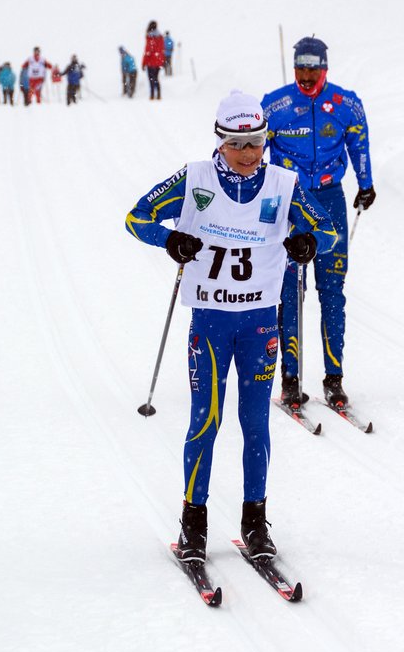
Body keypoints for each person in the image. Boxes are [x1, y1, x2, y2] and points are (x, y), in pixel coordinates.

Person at [125, 90, 337, 564]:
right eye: (238, 144)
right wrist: (170, 238)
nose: (248, 154)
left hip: (261, 324)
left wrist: (308, 243)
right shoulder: (196, 178)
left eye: (257, 143)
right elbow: (136, 218)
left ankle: (255, 523)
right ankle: (193, 524)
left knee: (255, 424)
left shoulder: (284, 183)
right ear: (219, 141)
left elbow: (327, 231)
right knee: (207, 420)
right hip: (211, 324)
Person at [261, 36, 376, 409]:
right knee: (291, 291)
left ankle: (334, 378)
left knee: (332, 291)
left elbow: (359, 142)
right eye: (301, 67)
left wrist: (366, 183)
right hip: (289, 201)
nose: (307, 75)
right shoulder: (275, 105)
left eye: (314, 68)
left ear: (325, 68)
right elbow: (250, 148)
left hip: (329, 201)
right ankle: (290, 380)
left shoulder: (345, 104)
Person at [142, 21, 164, 100]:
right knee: (156, 78)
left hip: (151, 62)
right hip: (158, 62)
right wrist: (162, 61)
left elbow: (148, 51)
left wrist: (143, 63)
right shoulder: (160, 37)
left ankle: (152, 95)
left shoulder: (150, 37)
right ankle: (158, 94)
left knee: (151, 79)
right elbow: (162, 50)